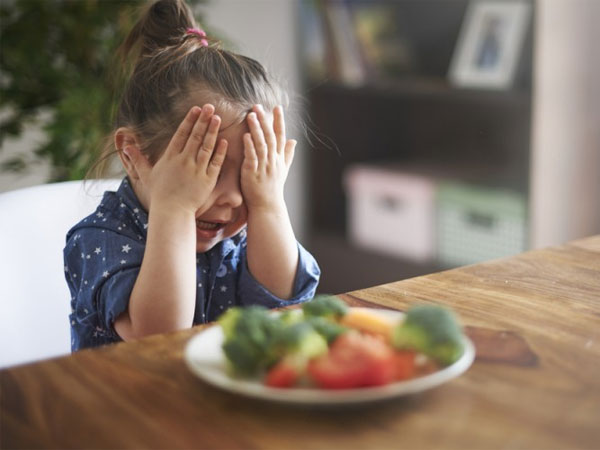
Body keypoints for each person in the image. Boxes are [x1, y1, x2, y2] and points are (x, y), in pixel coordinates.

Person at [64, 0, 320, 351]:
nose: (233, 198)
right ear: (133, 155)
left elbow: (285, 303)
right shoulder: (100, 238)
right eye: (208, 171)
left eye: (249, 174)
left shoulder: (244, 227)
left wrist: (268, 203)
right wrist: (176, 209)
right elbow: (158, 335)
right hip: (125, 400)